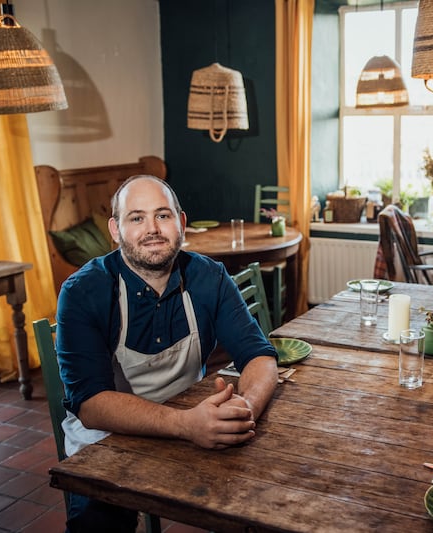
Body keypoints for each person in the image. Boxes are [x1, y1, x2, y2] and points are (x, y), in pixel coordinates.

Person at [55, 175, 279, 532]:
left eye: (163, 215)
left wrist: (247, 407)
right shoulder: (84, 292)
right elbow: (92, 405)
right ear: (115, 230)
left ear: (182, 223)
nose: (152, 229)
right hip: (108, 440)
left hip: (192, 423)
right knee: (97, 522)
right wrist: (184, 425)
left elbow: (259, 356)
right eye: (136, 218)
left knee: (268, 497)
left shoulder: (209, 277)